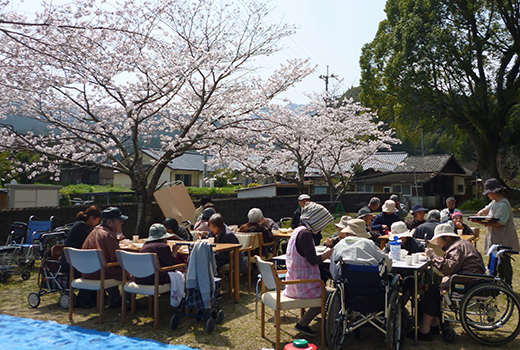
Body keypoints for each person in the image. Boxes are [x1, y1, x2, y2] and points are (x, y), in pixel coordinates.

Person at [410, 224, 485, 341]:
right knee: (434, 289)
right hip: (470, 278)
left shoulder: (456, 247)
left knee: (431, 292)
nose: (438, 243)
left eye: (438, 240)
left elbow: (449, 268)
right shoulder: (461, 244)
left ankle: (425, 330)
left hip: (466, 281)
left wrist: (433, 256)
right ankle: (433, 326)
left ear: (445, 237)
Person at [285, 201, 334, 336]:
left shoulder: (298, 230)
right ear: (316, 220)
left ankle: (303, 323)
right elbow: (313, 260)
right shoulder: (306, 234)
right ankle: (329, 327)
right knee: (334, 295)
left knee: (328, 292)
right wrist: (328, 254)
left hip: (293, 282)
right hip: (303, 285)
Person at [471, 178, 520, 287]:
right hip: (497, 236)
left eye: (488, 193)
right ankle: (498, 283)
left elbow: (500, 223)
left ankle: (507, 285)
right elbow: (486, 209)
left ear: (493, 192)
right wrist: (480, 213)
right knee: (496, 261)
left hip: (504, 236)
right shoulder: (495, 202)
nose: (488, 195)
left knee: (505, 261)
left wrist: (482, 223)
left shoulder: (503, 204)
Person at [82, 207, 129, 308]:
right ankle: (128, 302)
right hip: (101, 273)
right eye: (119, 221)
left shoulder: (94, 232)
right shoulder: (107, 235)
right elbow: (116, 258)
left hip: (87, 272)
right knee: (131, 270)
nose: (122, 223)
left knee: (112, 267)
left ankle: (115, 298)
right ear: (109, 222)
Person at [60, 205, 102, 308]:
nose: (98, 223)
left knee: (95, 269)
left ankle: (94, 298)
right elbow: (90, 242)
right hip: (69, 262)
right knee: (93, 271)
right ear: (92, 218)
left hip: (75, 260)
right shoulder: (81, 227)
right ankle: (83, 299)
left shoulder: (82, 225)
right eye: (98, 220)